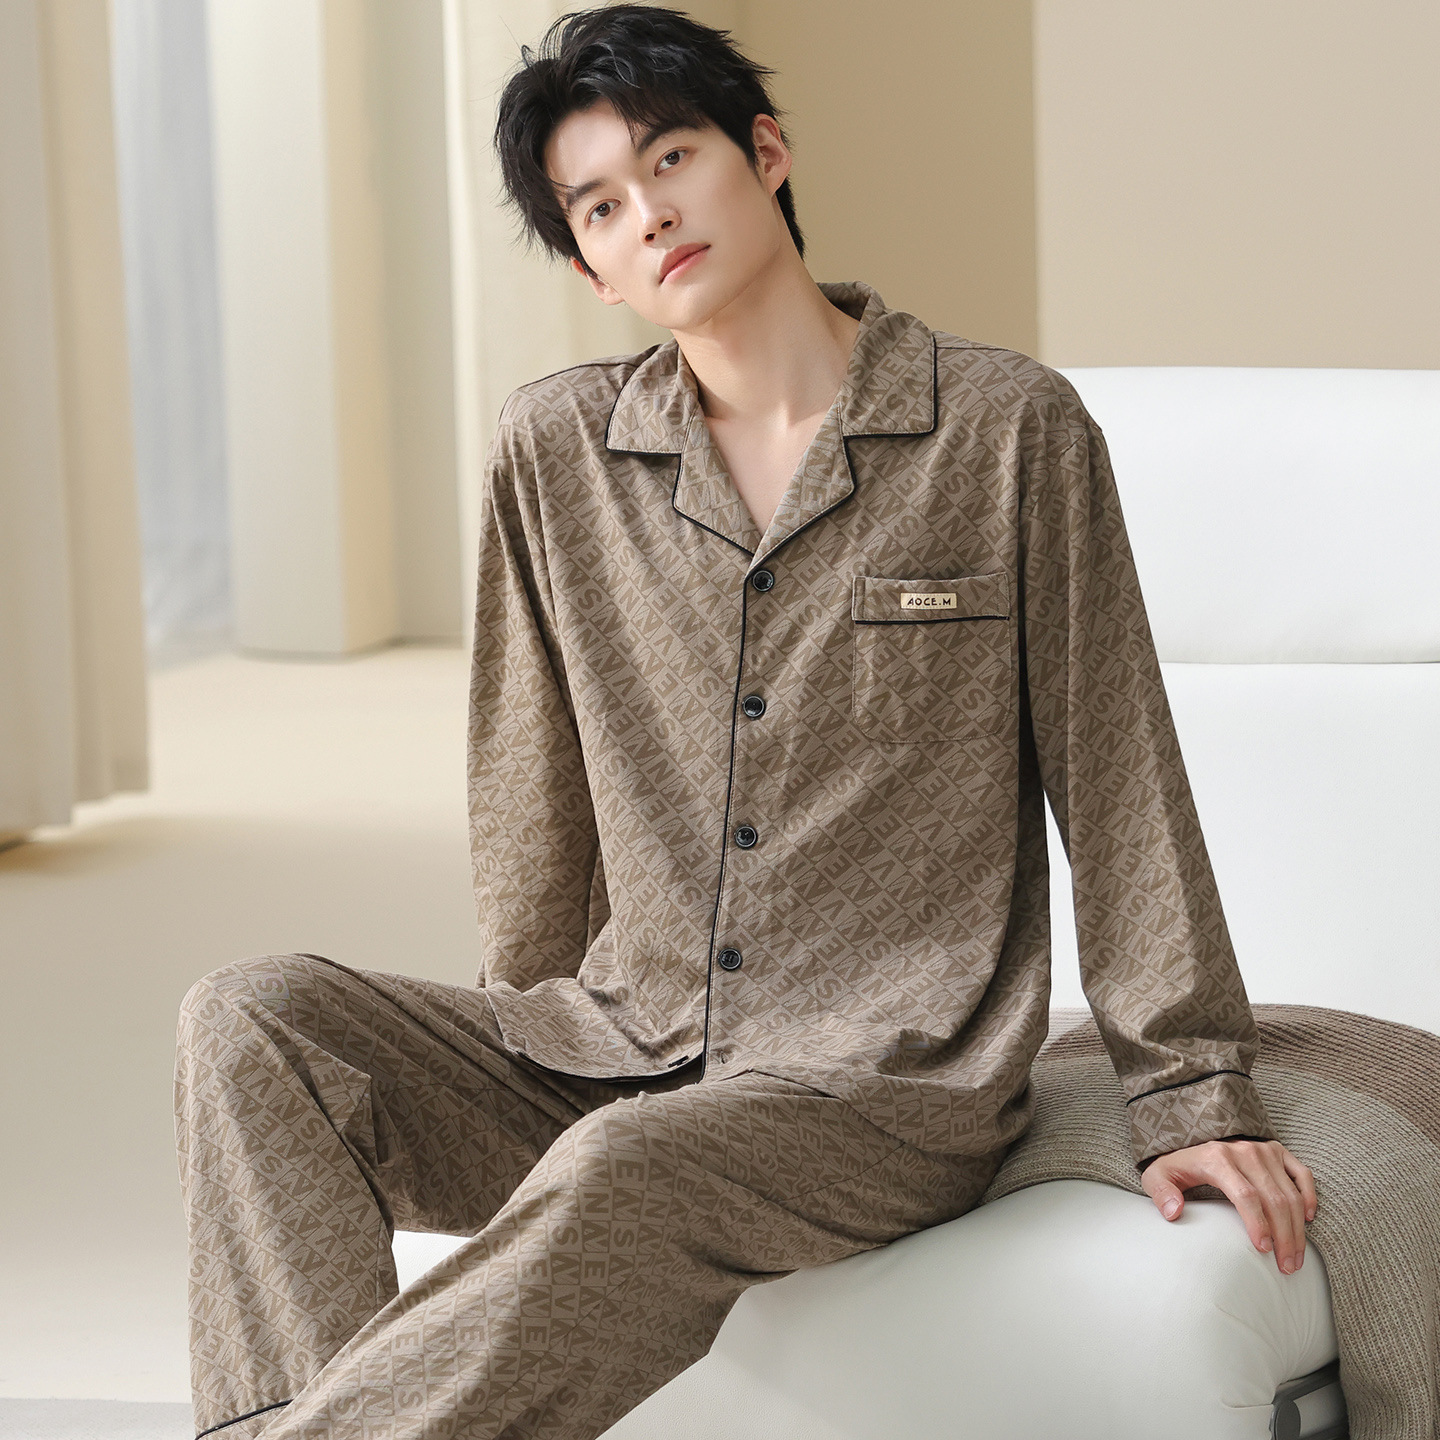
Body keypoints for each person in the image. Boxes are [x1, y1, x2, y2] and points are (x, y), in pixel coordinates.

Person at [173, 7, 1317, 1438]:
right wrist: (526, 1029)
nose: (649, 213)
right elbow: (530, 786)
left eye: (672, 159)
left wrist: (1192, 1091)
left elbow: (1120, 771)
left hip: (882, 1086)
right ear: (589, 269)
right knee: (252, 1021)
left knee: (624, 1165)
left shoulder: (1006, 432)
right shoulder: (555, 453)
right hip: (621, 1042)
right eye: (600, 205)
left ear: (765, 154)